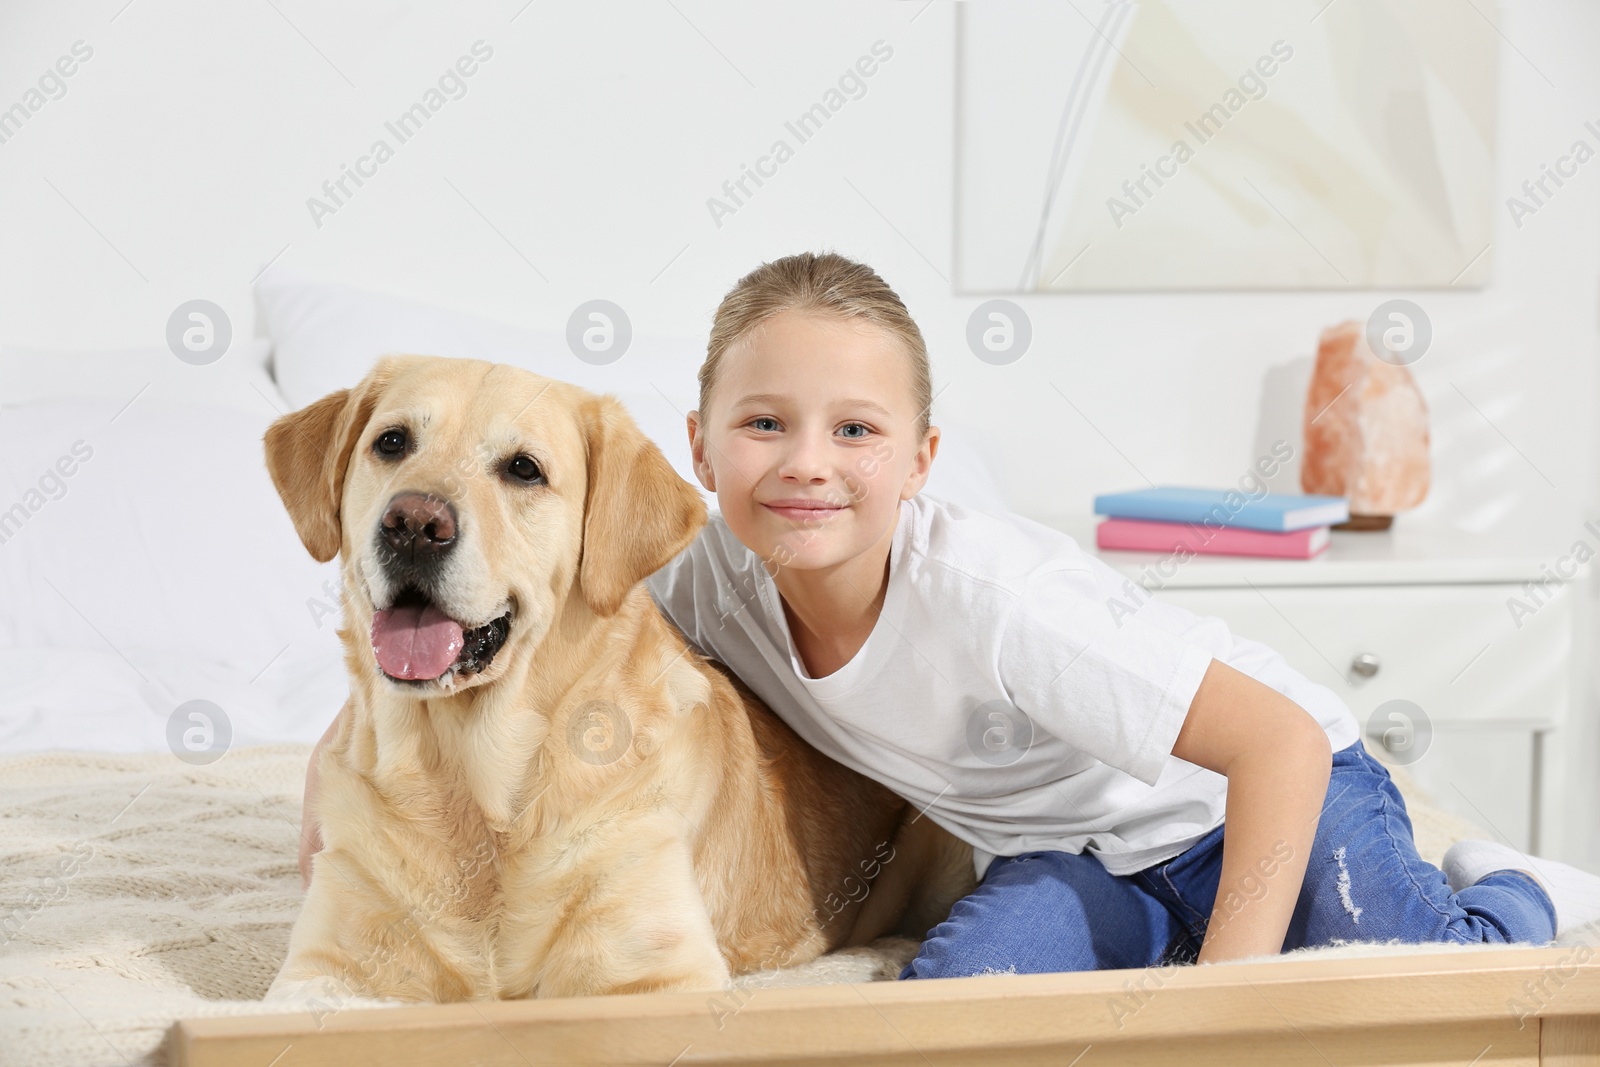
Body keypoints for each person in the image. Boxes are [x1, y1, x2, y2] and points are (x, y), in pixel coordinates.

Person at [298, 251, 1600, 976]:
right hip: (1077, 856)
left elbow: (1279, 748)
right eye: (766, 425)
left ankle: (1511, 894)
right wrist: (338, 801)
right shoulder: (702, 578)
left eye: (855, 430)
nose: (807, 463)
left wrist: (1230, 1002)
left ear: (921, 460)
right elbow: (475, 660)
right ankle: (1168, 944)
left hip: (1253, 797)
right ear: (700, 446)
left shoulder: (994, 600)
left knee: (1411, 964)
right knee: (960, 1000)